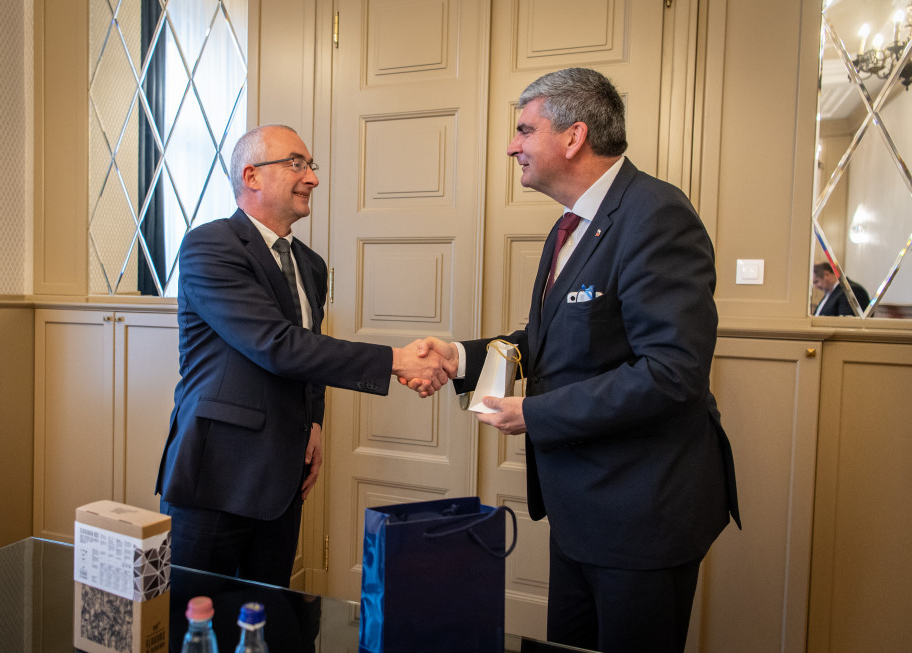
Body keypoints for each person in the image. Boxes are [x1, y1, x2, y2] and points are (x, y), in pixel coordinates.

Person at [408, 68, 740, 653]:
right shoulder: (570, 226)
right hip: (583, 508)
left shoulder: (656, 215)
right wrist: (461, 356)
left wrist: (535, 414)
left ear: (573, 136)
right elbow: (554, 338)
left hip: (642, 511)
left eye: (523, 129)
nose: (512, 145)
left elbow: (672, 372)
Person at [156, 124, 455, 588]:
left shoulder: (310, 264)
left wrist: (314, 421)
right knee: (197, 620)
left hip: (283, 478)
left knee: (268, 616)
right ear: (252, 176)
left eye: (310, 165)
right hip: (216, 475)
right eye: (296, 164)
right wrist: (396, 360)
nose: (312, 177)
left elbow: (308, 351)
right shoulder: (209, 246)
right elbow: (276, 345)